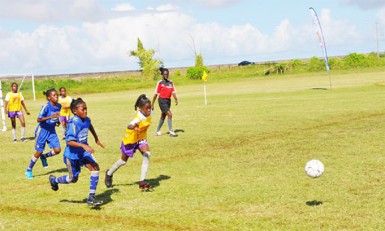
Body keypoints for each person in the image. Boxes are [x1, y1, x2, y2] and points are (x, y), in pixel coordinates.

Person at [49, 98, 105, 206]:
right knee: (73, 179)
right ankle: (54, 180)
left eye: (86, 109)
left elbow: (89, 125)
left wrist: (96, 138)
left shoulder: (87, 119)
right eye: (83, 109)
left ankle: (91, 197)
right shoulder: (73, 123)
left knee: (95, 168)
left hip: (83, 152)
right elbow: (69, 141)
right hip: (71, 155)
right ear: (75, 111)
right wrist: (83, 145)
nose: (85, 111)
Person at [105, 94, 152, 190]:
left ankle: (142, 180)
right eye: (147, 108)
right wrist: (133, 126)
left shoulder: (150, 112)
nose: (149, 110)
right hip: (130, 139)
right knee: (123, 161)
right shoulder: (138, 118)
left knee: (147, 154)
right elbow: (129, 125)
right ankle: (109, 173)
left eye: (150, 107)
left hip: (141, 139)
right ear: (140, 108)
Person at [25, 89, 62, 179]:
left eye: (57, 95)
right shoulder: (46, 106)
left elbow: (56, 117)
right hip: (42, 131)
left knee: (57, 150)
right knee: (39, 151)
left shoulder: (59, 106)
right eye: (54, 95)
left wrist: (57, 121)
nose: (56, 96)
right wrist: (51, 117)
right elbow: (39, 119)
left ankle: (44, 157)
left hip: (52, 131)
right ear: (49, 97)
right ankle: (29, 169)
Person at [151, 67, 178, 137]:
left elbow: (173, 92)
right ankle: (171, 132)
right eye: (164, 74)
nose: (166, 75)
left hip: (168, 101)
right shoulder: (160, 83)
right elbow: (155, 94)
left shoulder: (171, 83)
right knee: (170, 114)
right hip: (162, 101)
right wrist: (152, 104)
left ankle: (157, 130)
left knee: (163, 115)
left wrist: (176, 99)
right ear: (162, 75)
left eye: (167, 74)